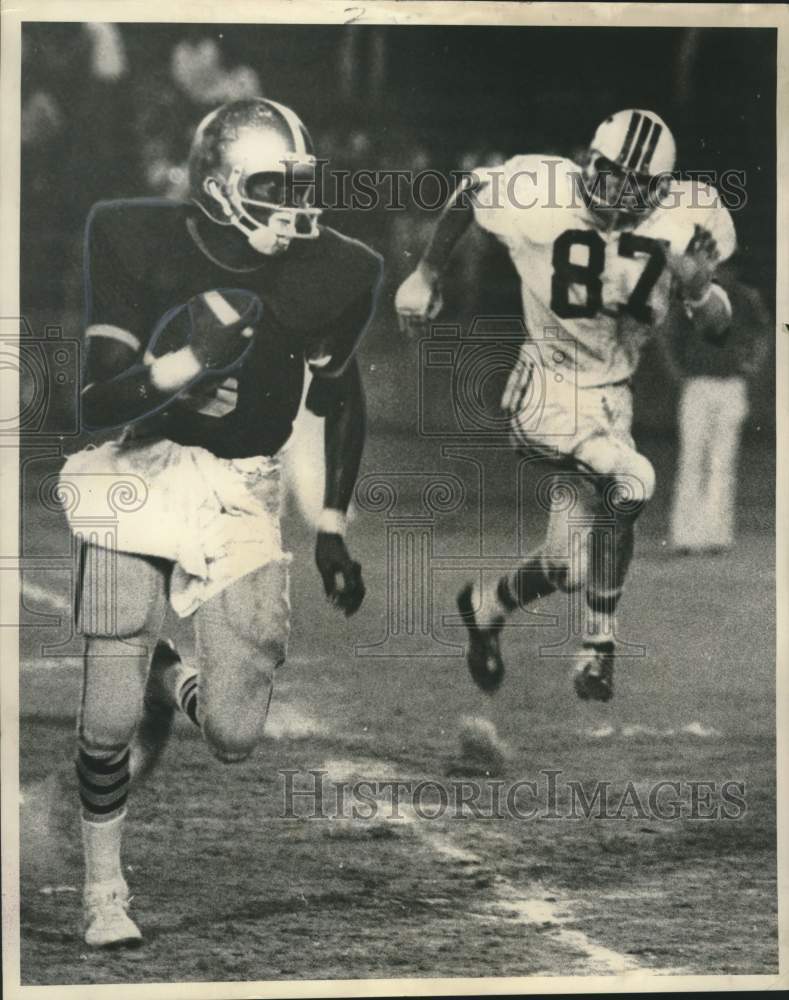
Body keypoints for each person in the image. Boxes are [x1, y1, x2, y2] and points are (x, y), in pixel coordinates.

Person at [59, 97, 382, 947]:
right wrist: (186, 365)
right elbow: (93, 404)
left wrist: (334, 526)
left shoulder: (339, 269)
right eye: (273, 186)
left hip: (244, 481)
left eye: (301, 186)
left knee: (236, 734)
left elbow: (340, 395)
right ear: (217, 184)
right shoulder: (133, 234)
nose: (295, 206)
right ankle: (104, 893)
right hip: (139, 463)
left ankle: (180, 681)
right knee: (105, 718)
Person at [395, 109, 735, 701]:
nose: (618, 194)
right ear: (587, 161)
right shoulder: (542, 190)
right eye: (610, 176)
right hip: (546, 389)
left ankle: (486, 608)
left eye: (637, 186)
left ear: (658, 191)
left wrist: (701, 288)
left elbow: (716, 330)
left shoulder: (686, 218)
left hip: (611, 403)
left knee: (565, 565)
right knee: (634, 478)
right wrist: (426, 272)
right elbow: (469, 193)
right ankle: (599, 648)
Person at [664, 263, 770, 553]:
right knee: (692, 458)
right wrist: (679, 373)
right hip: (698, 383)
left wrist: (751, 365)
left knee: (722, 460)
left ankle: (716, 535)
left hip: (730, 383)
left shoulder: (745, 297)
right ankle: (685, 536)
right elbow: (670, 336)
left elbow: (762, 333)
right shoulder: (691, 297)